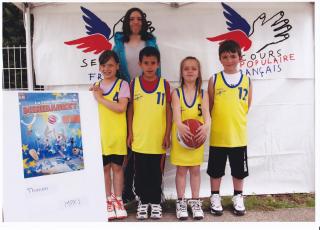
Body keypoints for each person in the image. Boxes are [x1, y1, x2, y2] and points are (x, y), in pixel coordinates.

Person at [113, 7, 161, 203]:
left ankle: (150, 193)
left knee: (144, 143)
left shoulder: (150, 42)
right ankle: (126, 192)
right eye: (132, 19)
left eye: (139, 19)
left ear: (143, 22)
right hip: (126, 96)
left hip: (146, 95)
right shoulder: (118, 43)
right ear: (126, 21)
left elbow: (157, 69)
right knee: (128, 145)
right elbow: (113, 70)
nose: (135, 22)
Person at [207, 40, 253, 216]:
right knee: (215, 170)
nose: (229, 60)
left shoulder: (247, 80)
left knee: (238, 171)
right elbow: (210, 106)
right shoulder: (215, 79)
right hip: (219, 135)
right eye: (225, 57)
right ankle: (215, 196)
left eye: (233, 56)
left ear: (240, 57)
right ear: (220, 59)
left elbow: (247, 106)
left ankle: (238, 196)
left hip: (238, 136)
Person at [127, 46, 172, 220]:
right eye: (146, 63)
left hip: (158, 140)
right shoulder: (134, 84)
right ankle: (143, 202)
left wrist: (167, 134)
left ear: (158, 64)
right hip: (140, 139)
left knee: (155, 173)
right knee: (140, 174)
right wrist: (130, 133)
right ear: (140, 64)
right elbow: (130, 110)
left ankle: (155, 203)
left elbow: (168, 111)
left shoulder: (164, 84)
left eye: (153, 63)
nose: (150, 66)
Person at [90, 50, 130, 220]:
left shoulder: (123, 85)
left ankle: (118, 200)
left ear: (117, 66)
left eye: (111, 65)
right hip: (101, 134)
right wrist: (93, 94)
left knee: (117, 168)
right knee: (105, 168)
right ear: (100, 67)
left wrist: (100, 99)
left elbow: (121, 108)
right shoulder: (96, 86)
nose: (107, 68)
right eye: (104, 65)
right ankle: (108, 200)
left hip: (117, 134)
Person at [170, 57, 211, 220]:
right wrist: (180, 126)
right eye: (186, 68)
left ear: (199, 72)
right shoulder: (176, 92)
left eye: (193, 68)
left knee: (195, 170)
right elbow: (176, 116)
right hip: (182, 137)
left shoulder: (204, 93)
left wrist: (206, 126)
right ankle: (180, 202)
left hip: (196, 137)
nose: (190, 71)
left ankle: (195, 201)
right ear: (181, 72)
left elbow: (207, 114)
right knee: (181, 170)